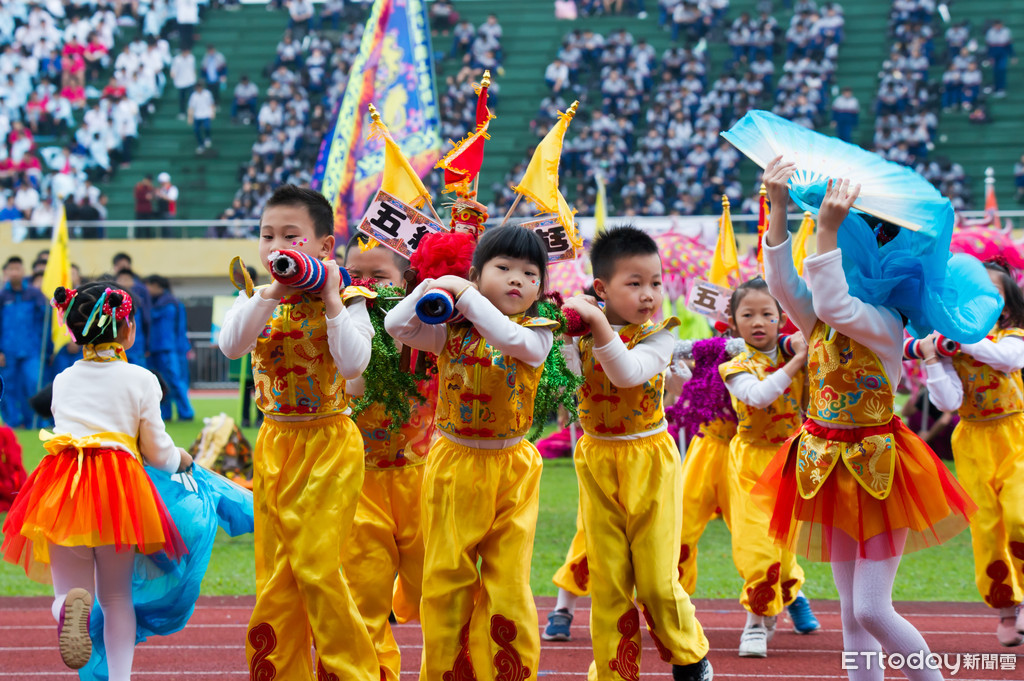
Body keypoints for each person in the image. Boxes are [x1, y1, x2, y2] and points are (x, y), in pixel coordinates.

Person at [760, 157, 983, 681]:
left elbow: (834, 302)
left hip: (879, 467)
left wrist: (827, 228)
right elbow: (784, 285)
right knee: (850, 612)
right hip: (826, 464)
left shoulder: (882, 322)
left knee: (871, 609)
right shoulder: (821, 319)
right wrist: (778, 208)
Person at [218, 184, 378, 679]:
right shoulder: (254, 296)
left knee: (316, 564)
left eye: (292, 236)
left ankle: (351, 673)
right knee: (276, 570)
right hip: (275, 444)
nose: (276, 247)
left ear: (325, 247)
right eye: (267, 236)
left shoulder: (349, 297)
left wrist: (329, 297)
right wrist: (269, 294)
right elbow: (230, 346)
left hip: (330, 443)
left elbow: (354, 364)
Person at [384, 225, 557, 680]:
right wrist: (432, 285)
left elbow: (508, 340)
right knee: (446, 579)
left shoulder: (538, 333)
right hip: (454, 465)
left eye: (530, 274)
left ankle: (507, 672)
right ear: (477, 274)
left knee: (509, 583)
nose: (517, 279)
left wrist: (466, 294)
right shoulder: (450, 333)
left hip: (512, 469)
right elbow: (395, 325)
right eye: (504, 268)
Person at [1, 281, 192, 677]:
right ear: (128, 329)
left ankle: (66, 608)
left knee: (68, 589)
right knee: (117, 597)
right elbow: (158, 451)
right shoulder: (141, 378)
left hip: (64, 484)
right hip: (118, 488)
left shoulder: (64, 379)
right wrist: (181, 459)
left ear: (74, 330)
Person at [560, 225, 712, 681]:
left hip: (649, 461)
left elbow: (627, 374)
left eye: (656, 283)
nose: (649, 294)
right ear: (602, 287)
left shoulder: (660, 336)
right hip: (596, 459)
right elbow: (562, 377)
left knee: (656, 582)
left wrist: (595, 322)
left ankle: (690, 657)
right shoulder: (578, 333)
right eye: (635, 283)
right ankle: (612, 672)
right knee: (607, 581)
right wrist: (560, 327)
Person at [341, 234, 438, 680]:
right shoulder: (339, 328)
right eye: (354, 274)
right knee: (363, 599)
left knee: (440, 592)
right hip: (359, 482)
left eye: (378, 275)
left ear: (406, 281)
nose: (365, 284)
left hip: (425, 480)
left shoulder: (432, 329)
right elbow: (353, 381)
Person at [924, 259, 1024, 646]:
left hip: (1016, 434)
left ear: (1007, 305)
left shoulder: (1013, 336)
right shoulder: (949, 347)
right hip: (972, 442)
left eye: (990, 294)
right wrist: (933, 358)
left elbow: (1008, 359)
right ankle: (1006, 606)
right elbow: (948, 402)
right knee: (986, 528)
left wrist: (958, 336)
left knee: (1019, 516)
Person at [719, 278, 819, 657]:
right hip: (750, 462)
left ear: (782, 318)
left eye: (767, 314)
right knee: (756, 544)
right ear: (733, 322)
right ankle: (756, 622)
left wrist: (803, 350)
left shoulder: (795, 351)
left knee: (784, 544)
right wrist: (797, 361)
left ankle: (791, 593)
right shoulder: (735, 366)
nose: (758, 322)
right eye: (748, 315)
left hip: (791, 458)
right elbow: (759, 396)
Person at [0, 256, 48, 428]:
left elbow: (45, 321)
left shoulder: (34, 294)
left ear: (23, 271)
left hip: (31, 350)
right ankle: (12, 423)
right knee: (8, 388)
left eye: (17, 269)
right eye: (11, 269)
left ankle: (36, 422)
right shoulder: (2, 296)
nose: (14, 272)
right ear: (6, 272)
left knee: (33, 385)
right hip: (7, 351)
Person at [145, 275, 194, 422]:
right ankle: (166, 413)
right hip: (157, 349)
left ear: (157, 286)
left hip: (168, 349)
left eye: (148, 285)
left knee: (174, 380)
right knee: (161, 382)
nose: (147, 289)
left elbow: (176, 330)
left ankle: (186, 412)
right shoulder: (154, 303)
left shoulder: (170, 304)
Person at [985, 19, 1014, 98]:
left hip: (1002, 53)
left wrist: (1012, 55)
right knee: (995, 71)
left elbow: (1009, 45)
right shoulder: (990, 32)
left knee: (1002, 70)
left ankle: (1001, 89)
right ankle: (996, 88)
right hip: (994, 53)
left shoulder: (1006, 31)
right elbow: (989, 46)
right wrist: (989, 57)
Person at [188, 81, 215, 152]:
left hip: (206, 114)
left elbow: (211, 103)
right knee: (196, 130)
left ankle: (207, 138)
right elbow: (191, 107)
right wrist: (190, 118)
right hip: (197, 115)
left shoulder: (207, 94)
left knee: (207, 127)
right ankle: (201, 144)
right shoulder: (193, 96)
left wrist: (212, 113)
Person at [170, 48, 196, 119]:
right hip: (181, 82)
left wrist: (194, 77)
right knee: (182, 99)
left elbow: (193, 68)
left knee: (192, 98)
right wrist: (173, 74)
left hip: (190, 81)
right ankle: (182, 112)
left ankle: (192, 112)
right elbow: (173, 70)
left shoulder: (191, 58)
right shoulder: (177, 59)